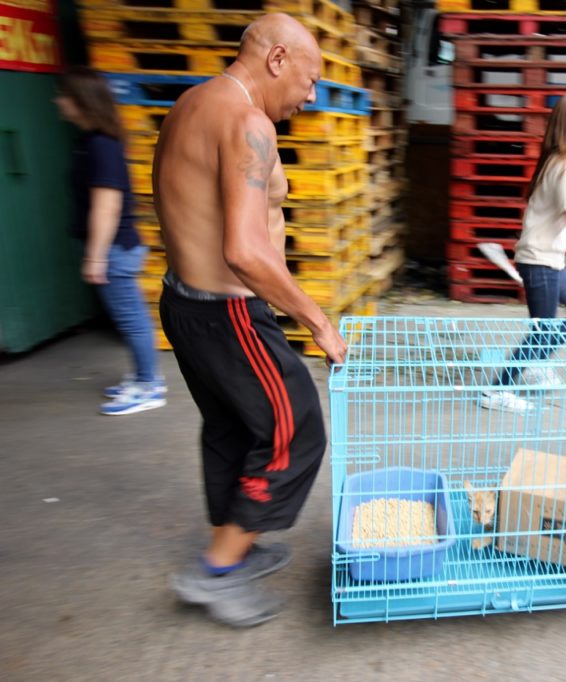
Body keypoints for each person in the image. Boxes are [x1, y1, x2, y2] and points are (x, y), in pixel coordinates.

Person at [153, 13, 347, 627]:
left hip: (184, 302)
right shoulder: (248, 123)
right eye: (310, 81)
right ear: (277, 60)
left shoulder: (193, 102)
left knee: (233, 427)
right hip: (228, 310)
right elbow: (244, 249)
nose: (311, 97)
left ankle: (235, 550)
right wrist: (318, 321)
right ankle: (213, 571)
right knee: (298, 430)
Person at [55, 67, 166, 416]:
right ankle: (144, 378)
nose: (57, 101)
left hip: (115, 248)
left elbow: (107, 204)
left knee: (132, 319)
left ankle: (149, 386)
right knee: (132, 317)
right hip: (118, 248)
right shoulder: (94, 142)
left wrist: (95, 257)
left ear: (81, 102)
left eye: (64, 95)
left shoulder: (101, 145)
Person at [481, 94, 566, 414]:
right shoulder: (563, 168)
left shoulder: (559, 163)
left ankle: (536, 363)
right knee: (543, 332)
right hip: (540, 264)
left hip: (549, 262)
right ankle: (497, 391)